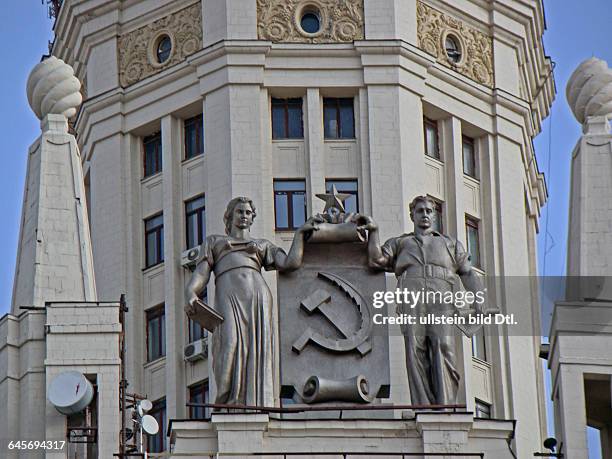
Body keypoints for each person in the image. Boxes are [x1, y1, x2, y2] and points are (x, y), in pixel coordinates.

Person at [184, 197, 317, 407]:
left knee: (258, 351)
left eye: (248, 213)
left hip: (257, 298)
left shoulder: (263, 245)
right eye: (239, 212)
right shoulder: (215, 242)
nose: (244, 216)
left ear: (252, 217)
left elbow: (290, 263)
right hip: (229, 297)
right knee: (229, 346)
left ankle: (254, 407)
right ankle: (227, 402)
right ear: (230, 216)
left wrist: (300, 235)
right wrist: (191, 293)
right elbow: (201, 273)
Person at [357, 195, 484, 405]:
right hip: (411, 294)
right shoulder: (400, 242)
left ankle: (445, 407)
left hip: (441, 294)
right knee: (415, 350)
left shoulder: (450, 243)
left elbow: (468, 273)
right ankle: (423, 407)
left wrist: (477, 298)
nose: (425, 214)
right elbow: (376, 260)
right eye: (420, 211)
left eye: (428, 211)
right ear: (412, 215)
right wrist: (374, 232)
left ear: (433, 215)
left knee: (443, 346)